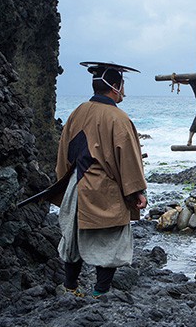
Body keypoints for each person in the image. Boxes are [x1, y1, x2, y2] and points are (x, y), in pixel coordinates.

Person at [53, 61, 148, 298]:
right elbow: (127, 159)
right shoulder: (118, 118)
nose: (124, 90)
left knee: (73, 239)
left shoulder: (77, 112)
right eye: (122, 85)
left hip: (76, 186)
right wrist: (136, 191)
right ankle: (100, 292)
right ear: (114, 87)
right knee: (110, 240)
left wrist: (66, 184)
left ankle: (70, 288)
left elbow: (63, 152)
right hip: (104, 189)